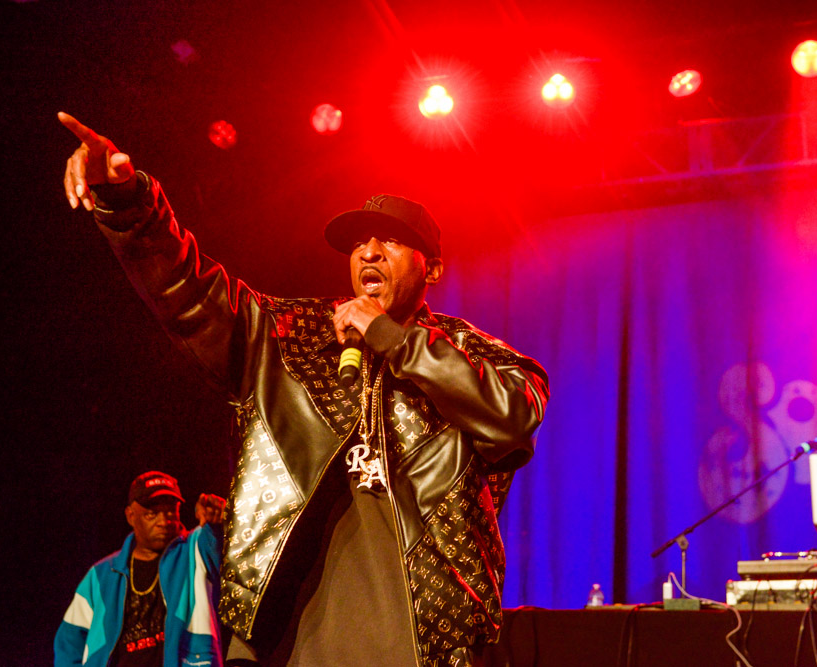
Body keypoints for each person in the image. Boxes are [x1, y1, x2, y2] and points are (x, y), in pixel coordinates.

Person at [58, 112, 550, 667]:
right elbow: (189, 295)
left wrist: (391, 339)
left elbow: (511, 416)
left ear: (431, 267)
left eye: (390, 240)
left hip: (425, 643)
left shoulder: (481, 358)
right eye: (358, 242)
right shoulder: (285, 337)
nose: (368, 252)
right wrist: (128, 202)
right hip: (289, 642)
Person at [54, 471, 226, 666]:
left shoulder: (195, 551)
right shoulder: (102, 575)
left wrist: (217, 522)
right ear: (130, 516)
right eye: (152, 513)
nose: (163, 521)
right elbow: (69, 642)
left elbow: (219, 544)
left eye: (171, 511)